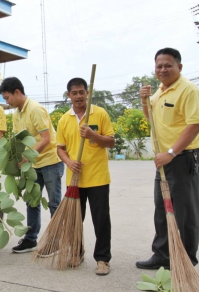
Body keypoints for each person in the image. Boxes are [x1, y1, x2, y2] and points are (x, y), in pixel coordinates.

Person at [136, 47, 199, 270]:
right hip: (164, 161)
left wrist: (171, 153)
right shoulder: (159, 92)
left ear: (179, 67)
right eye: (159, 66)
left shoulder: (189, 90)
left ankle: (186, 261)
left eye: (168, 65)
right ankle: (162, 255)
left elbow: (195, 125)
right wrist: (145, 101)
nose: (163, 69)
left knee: (185, 213)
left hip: (183, 158)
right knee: (162, 209)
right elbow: (152, 120)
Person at [0, 77, 63, 253]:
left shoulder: (36, 109)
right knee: (32, 201)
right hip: (32, 164)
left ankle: (56, 241)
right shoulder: (17, 113)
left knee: (54, 203)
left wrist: (28, 158)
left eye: (7, 97)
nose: (7, 101)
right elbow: (20, 141)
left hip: (50, 162)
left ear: (17, 92)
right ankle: (31, 239)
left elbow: (47, 139)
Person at [56, 77, 115, 276]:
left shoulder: (99, 114)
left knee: (101, 220)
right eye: (74, 93)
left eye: (82, 92)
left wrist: (93, 136)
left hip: (98, 177)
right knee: (74, 219)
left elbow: (111, 142)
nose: (79, 96)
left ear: (87, 93)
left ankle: (102, 259)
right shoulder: (64, 119)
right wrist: (69, 162)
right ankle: (77, 253)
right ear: (68, 96)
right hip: (75, 179)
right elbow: (60, 149)